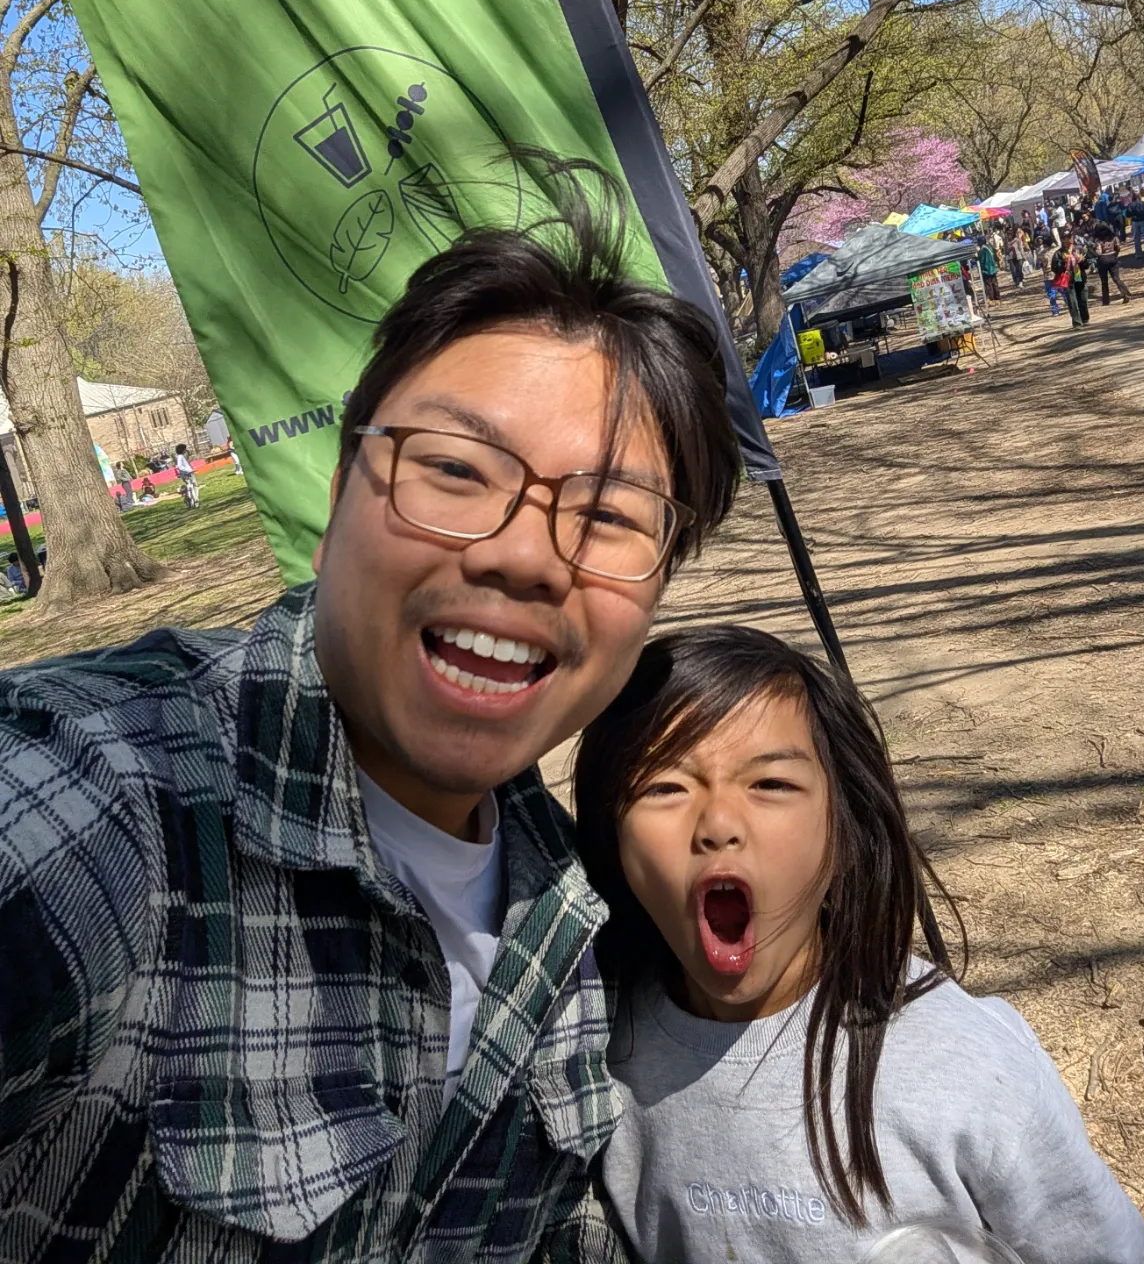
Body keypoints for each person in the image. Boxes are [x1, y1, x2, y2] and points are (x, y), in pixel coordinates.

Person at [0, 195, 743, 1259]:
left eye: (610, 517)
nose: (528, 556)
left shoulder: (572, 913)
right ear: (338, 494)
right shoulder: (122, 800)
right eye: (455, 469)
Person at [575, 626, 1144, 1264]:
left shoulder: (965, 1063)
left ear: (843, 832)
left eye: (771, 784)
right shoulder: (599, 1058)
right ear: (614, 842)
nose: (717, 824)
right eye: (664, 788)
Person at [1092, 223, 1132, 305]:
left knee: (1104, 281)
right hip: (1113, 258)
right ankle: (1125, 292)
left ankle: (1106, 300)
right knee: (1116, 278)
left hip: (1102, 260)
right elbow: (1118, 248)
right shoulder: (1114, 238)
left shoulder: (1098, 240)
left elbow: (1098, 252)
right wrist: (1115, 255)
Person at [174, 440, 198, 506]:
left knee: (190, 486)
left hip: (187, 472)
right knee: (193, 486)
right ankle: (193, 499)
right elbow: (180, 466)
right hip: (187, 473)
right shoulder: (180, 457)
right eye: (184, 449)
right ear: (182, 450)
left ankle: (191, 500)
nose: (185, 450)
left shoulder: (181, 456)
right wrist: (187, 470)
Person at [1129, 192, 1144, 259]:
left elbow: (1128, 214)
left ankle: (1139, 254)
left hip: (1135, 222)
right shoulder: (1143, 203)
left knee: (1137, 238)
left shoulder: (1131, 204)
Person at [977, 236, 1001, 301]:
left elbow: (981, 260)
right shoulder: (990, 247)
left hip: (986, 270)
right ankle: (997, 297)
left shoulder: (982, 250)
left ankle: (991, 299)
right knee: (995, 283)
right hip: (993, 268)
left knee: (988, 285)